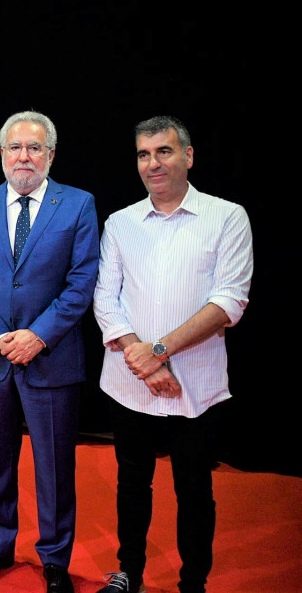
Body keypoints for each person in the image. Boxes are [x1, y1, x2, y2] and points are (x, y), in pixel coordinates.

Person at [93, 116, 253, 593]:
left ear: (187, 155)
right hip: (129, 382)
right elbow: (105, 298)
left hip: (194, 383)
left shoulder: (227, 217)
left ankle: (192, 584)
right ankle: (129, 576)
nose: (152, 163)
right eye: (143, 154)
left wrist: (158, 352)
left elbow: (230, 301)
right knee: (131, 487)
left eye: (163, 151)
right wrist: (142, 360)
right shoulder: (120, 222)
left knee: (195, 493)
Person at [0, 111, 99, 593]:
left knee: (55, 467)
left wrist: (38, 335)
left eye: (34, 148)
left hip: (52, 359)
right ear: (1, 154)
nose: (24, 156)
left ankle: (54, 558)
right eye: (14, 148)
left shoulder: (78, 205)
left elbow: (83, 282)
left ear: (51, 155)